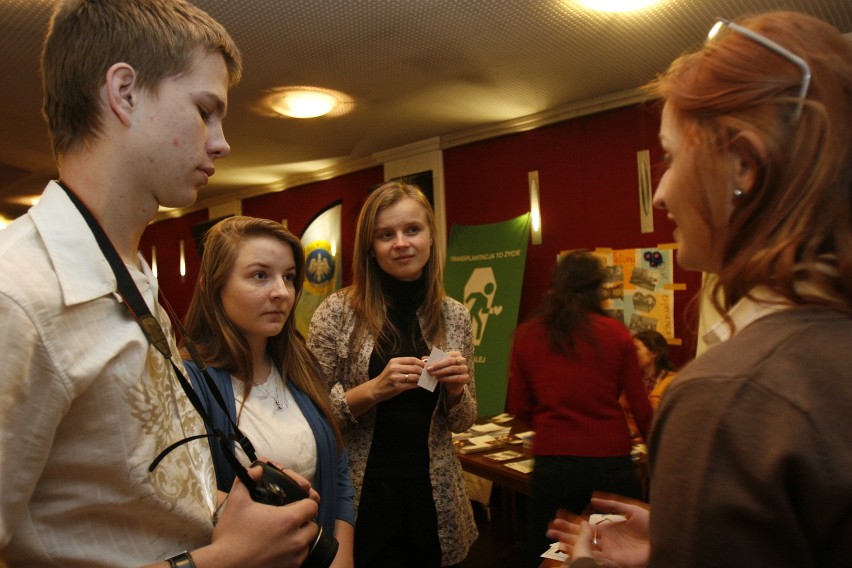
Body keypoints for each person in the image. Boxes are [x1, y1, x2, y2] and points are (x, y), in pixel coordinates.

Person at [0, 1, 321, 566]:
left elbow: (124, 500)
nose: (221, 143)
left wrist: (226, 512)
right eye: (205, 110)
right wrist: (223, 561)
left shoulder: (133, 276)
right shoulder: (17, 294)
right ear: (123, 93)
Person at [548, 11, 852, 567]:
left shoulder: (726, 395)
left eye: (669, 155)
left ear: (742, 166)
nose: (660, 192)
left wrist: (591, 564)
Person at [307, 181, 478, 567]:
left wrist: (454, 391)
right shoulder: (336, 312)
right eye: (386, 235)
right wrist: (373, 390)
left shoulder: (454, 315)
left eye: (412, 230)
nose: (401, 243)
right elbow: (310, 416)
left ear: (430, 238)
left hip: (433, 497)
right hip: (360, 495)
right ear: (370, 246)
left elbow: (465, 420)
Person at [181, 216, 356, 568]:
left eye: (288, 277)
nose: (281, 292)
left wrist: (340, 556)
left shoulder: (301, 364)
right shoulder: (190, 381)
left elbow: (337, 468)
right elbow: (186, 493)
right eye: (260, 275)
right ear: (215, 285)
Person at [506, 250, 653, 567]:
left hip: (554, 465)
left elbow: (518, 407)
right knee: (618, 555)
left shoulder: (527, 334)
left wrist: (553, 420)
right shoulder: (616, 334)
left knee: (548, 554)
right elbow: (641, 409)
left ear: (555, 285)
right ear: (597, 287)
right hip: (612, 464)